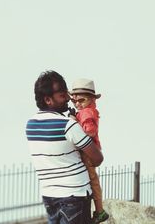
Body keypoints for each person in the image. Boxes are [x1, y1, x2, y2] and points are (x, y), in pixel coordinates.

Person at [26, 70, 104, 224]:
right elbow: (97, 158)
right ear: (48, 100)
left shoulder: (31, 125)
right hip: (75, 196)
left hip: (49, 196)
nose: (69, 99)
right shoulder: (68, 125)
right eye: (62, 95)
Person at [68, 78, 109, 223]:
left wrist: (73, 122)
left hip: (88, 153)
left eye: (81, 100)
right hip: (89, 151)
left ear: (92, 99)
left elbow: (90, 132)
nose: (77, 103)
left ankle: (100, 211)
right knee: (92, 180)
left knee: (92, 180)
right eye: (75, 101)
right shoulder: (89, 111)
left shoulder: (86, 113)